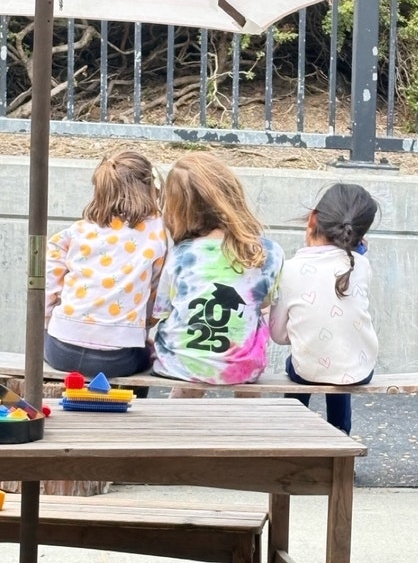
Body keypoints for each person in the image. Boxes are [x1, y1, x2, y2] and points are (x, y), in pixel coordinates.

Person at [151, 152, 284, 396]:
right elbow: (264, 303)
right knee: (253, 322)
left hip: (179, 364)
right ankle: (249, 420)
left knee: (186, 347)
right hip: (243, 368)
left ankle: (175, 424)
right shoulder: (270, 252)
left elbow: (162, 311)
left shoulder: (180, 255)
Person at [44, 150, 167, 397]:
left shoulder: (78, 230)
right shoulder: (156, 232)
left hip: (59, 348)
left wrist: (48, 319)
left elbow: (50, 267)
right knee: (147, 356)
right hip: (117, 358)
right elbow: (156, 295)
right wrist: (140, 331)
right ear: (149, 188)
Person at [269, 182, 379, 434]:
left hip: (307, 371)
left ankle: (293, 429)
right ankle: (340, 434)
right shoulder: (361, 266)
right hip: (360, 371)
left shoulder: (290, 269)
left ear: (312, 218)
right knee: (340, 365)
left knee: (299, 363)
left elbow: (277, 335)